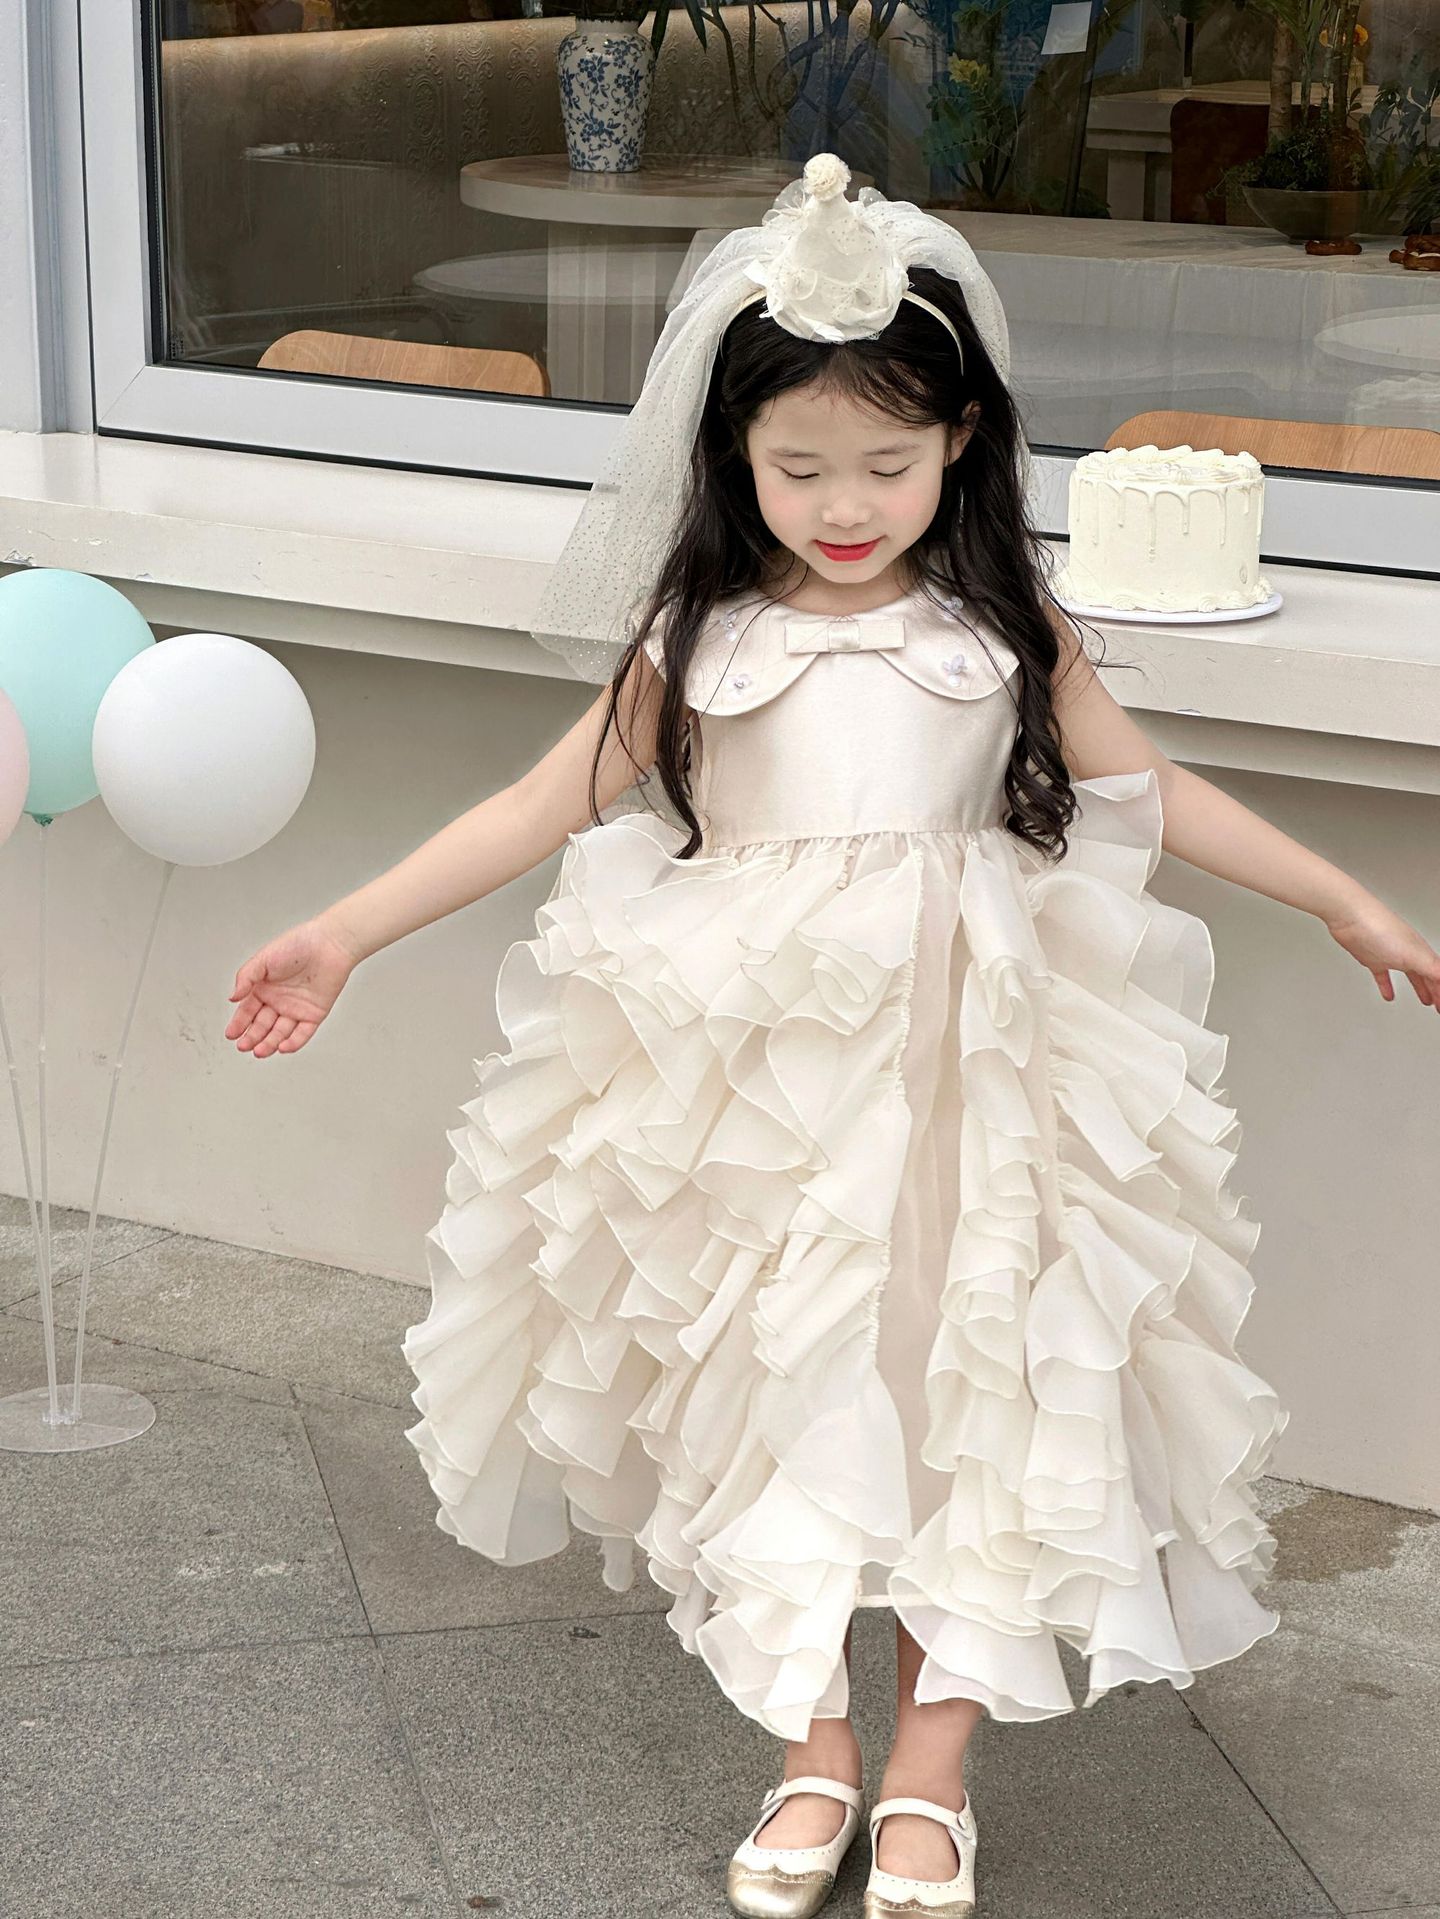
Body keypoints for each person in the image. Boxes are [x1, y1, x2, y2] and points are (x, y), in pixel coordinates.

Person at [224, 155, 1440, 1919]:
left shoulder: (1004, 629)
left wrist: (1343, 898)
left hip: (973, 1078)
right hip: (753, 1087)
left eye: (887, 462)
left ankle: (933, 1766)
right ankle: (812, 1745)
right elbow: (537, 805)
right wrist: (343, 931)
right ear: (732, 456)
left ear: (962, 443)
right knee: (765, 1383)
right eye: (797, 468)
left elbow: (1152, 791)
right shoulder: (702, 636)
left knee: (981, 1391)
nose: (844, 504)